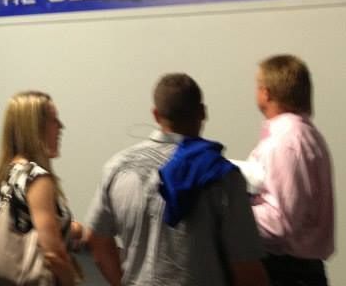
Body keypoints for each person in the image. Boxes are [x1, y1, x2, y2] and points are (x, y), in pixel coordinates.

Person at [85, 73, 268, 286]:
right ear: (202, 112)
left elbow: (97, 240)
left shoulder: (117, 168)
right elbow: (245, 265)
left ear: (156, 114)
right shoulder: (222, 176)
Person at [249, 55, 334, 285]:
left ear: (266, 93)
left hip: (286, 271)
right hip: (301, 270)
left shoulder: (285, 142)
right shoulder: (307, 135)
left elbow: (280, 223)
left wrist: (233, 211)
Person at [0, 91, 81, 286]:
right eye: (54, 120)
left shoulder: (9, 169)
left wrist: (70, 228)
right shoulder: (37, 178)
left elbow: (23, 225)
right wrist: (70, 281)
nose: (61, 127)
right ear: (34, 127)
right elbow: (53, 253)